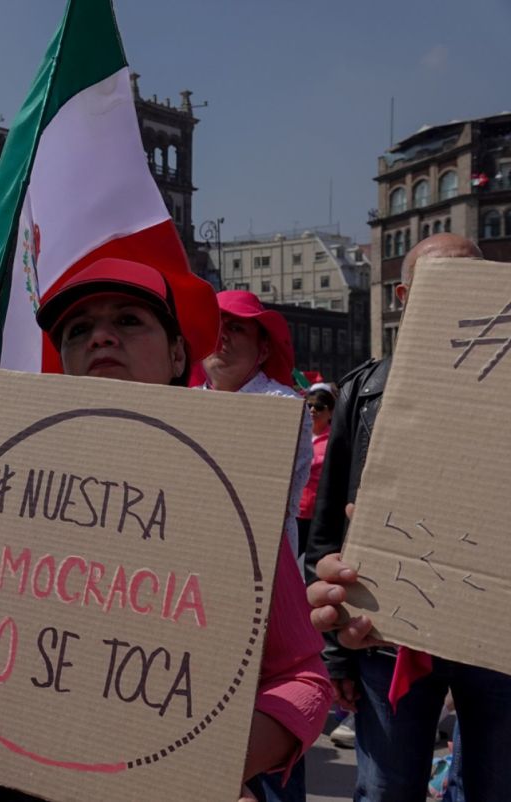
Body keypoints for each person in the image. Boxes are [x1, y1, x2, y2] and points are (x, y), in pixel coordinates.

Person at [0, 258, 332, 802]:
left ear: (178, 355)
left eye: (128, 320)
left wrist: (199, 762)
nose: (101, 335)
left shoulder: (229, 497)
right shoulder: (6, 483)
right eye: (78, 330)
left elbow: (305, 680)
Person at [305, 233, 509, 802]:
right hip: (386, 636)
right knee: (386, 789)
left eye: (472, 279)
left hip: (495, 643)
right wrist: (337, 652)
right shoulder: (362, 391)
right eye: (442, 283)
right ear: (404, 295)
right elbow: (326, 533)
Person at [197, 290, 310, 559]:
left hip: (261, 555)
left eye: (235, 327)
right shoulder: (185, 402)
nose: (221, 335)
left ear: (264, 350)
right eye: (215, 326)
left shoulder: (282, 405)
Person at [296, 384, 334, 557]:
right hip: (294, 510)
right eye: (309, 405)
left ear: (331, 413)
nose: (312, 410)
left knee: (313, 563)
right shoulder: (298, 433)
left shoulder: (334, 440)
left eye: (319, 407)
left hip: (317, 514)